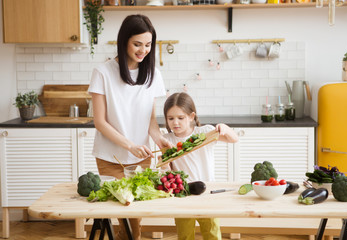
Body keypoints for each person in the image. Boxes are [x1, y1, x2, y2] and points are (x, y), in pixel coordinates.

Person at [88, 14, 171, 240]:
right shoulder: (103, 72)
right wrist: (130, 145)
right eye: (137, 44)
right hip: (110, 156)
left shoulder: (153, 73)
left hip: (141, 155)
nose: (143, 50)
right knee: (122, 212)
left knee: (134, 215)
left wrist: (160, 139)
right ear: (124, 40)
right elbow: (100, 122)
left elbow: (150, 120)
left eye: (147, 45)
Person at [162, 92, 239, 240]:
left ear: (191, 116)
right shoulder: (167, 140)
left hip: (208, 194)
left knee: (212, 233)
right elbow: (166, 170)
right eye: (170, 118)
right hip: (183, 195)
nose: (175, 123)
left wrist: (225, 128)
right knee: (184, 235)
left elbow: (233, 139)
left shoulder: (204, 133)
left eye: (180, 118)